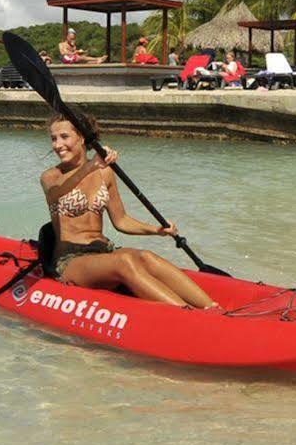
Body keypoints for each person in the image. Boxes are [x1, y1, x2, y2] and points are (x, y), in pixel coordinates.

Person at [41, 117, 216, 308]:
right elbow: (58, 190)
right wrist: (91, 166)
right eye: (53, 139)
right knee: (124, 262)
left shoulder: (104, 173)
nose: (58, 145)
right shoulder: (51, 177)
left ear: (82, 138)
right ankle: (187, 314)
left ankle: (212, 307)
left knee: (145, 257)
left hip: (103, 251)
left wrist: (157, 230)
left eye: (64, 137)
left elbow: (121, 220)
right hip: (70, 260)